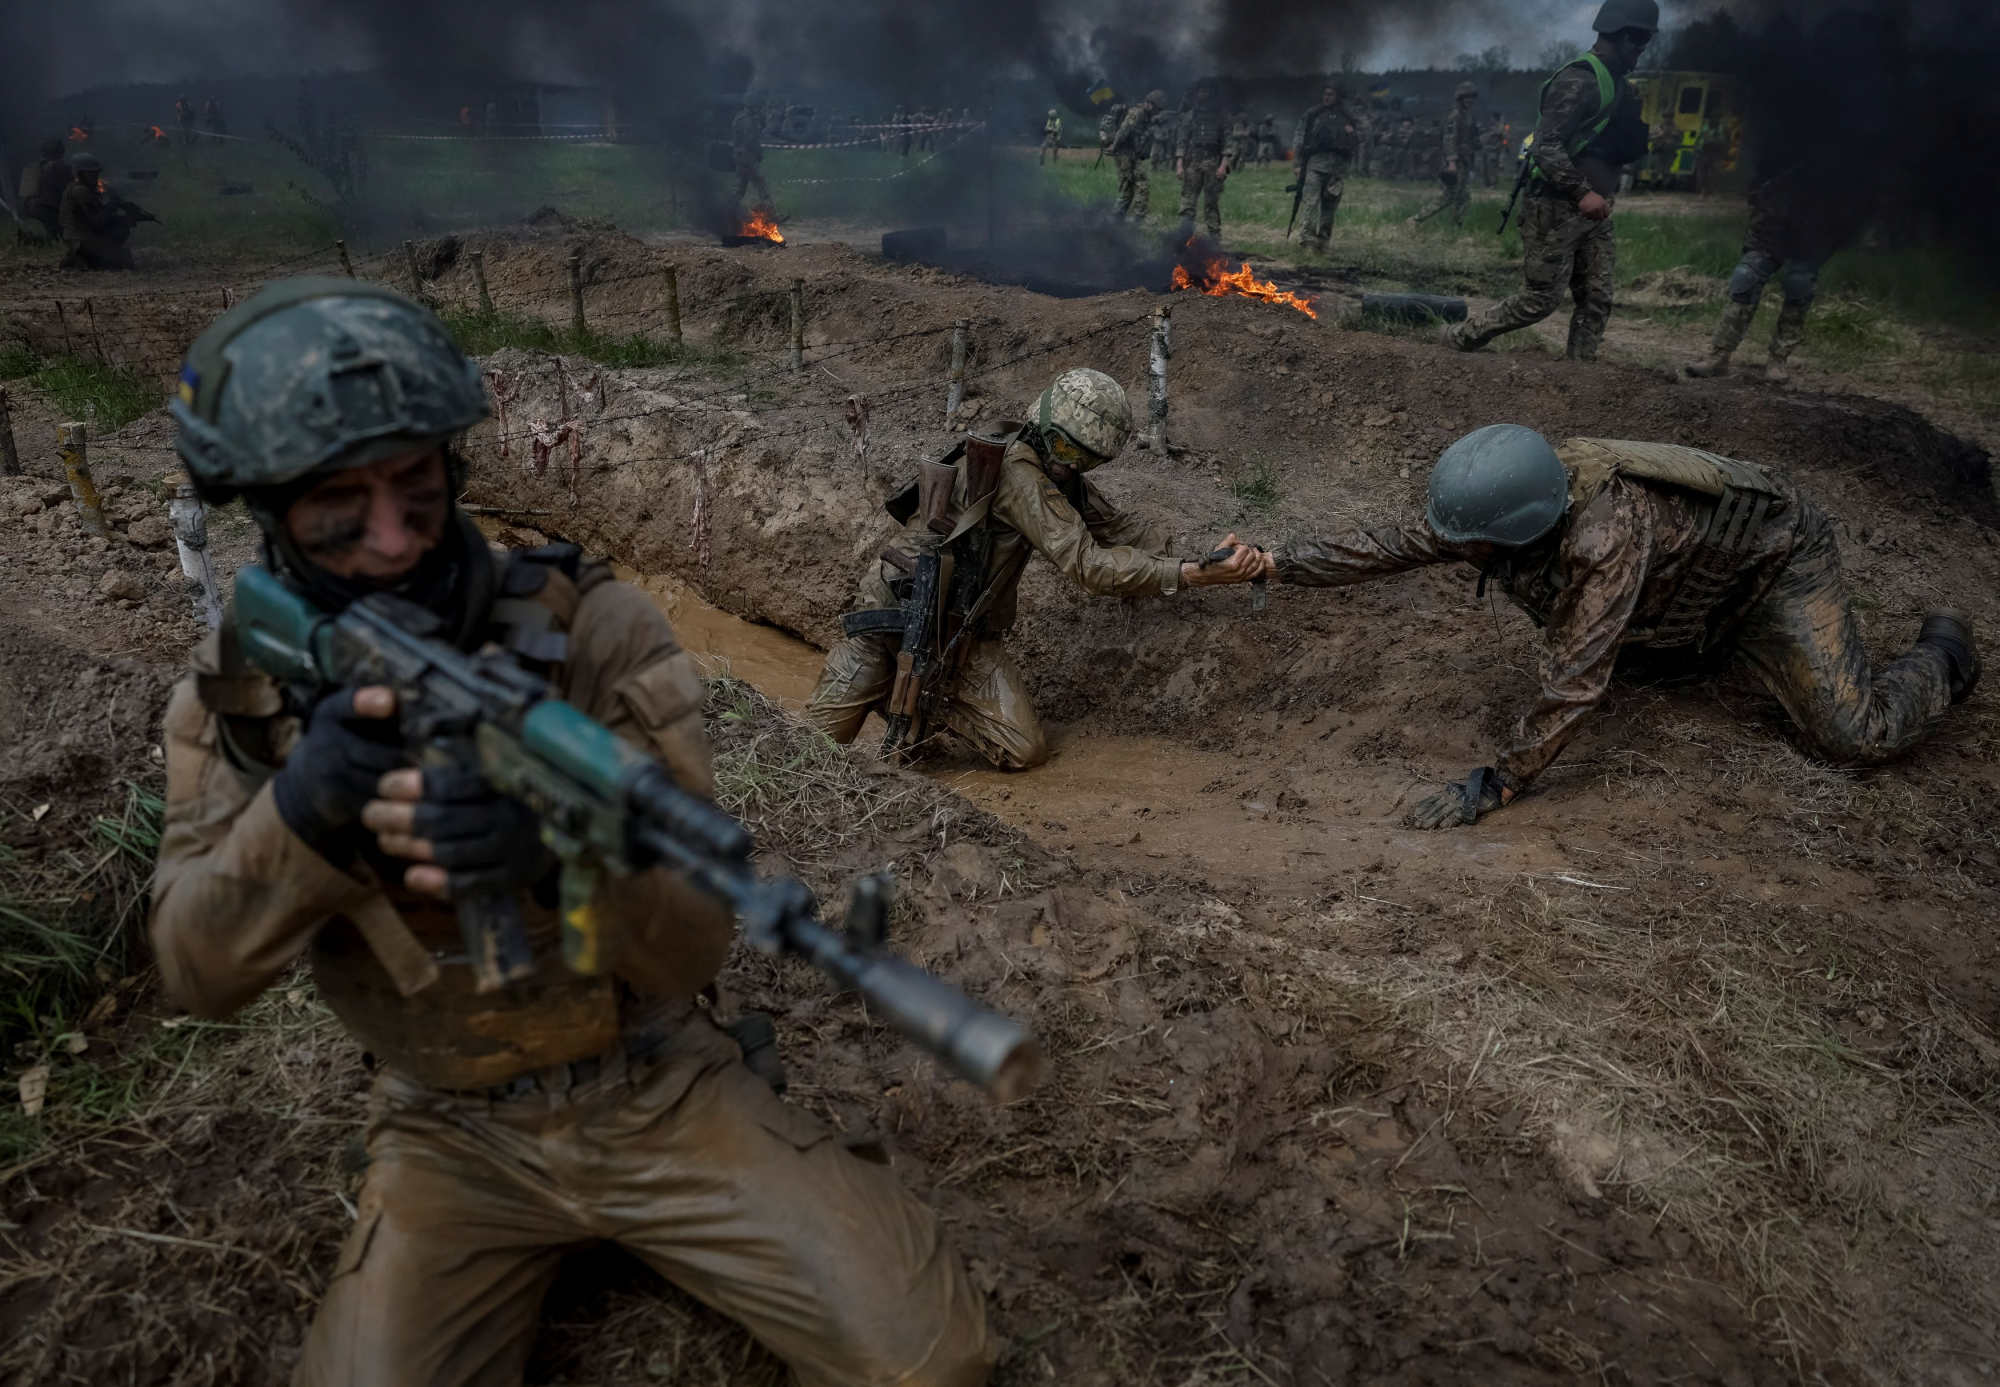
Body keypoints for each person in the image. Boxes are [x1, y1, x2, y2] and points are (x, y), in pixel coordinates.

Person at [152, 277, 997, 1385]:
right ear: (267, 513)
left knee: (933, 1358)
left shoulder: (593, 630)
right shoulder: (241, 694)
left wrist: (561, 860)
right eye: (337, 510)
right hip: (447, 1125)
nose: (395, 538)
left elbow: (689, 948)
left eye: (417, 488)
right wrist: (306, 807)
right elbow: (195, 972)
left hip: (649, 1082)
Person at [1207, 424, 1979, 828]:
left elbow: (1578, 678)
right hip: (1691, 576)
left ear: (1523, 525)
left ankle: (1945, 653)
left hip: (1773, 562)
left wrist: (1502, 781)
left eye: (1472, 545)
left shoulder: (1604, 538)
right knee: (1638, 649)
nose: (1457, 549)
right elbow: (1393, 544)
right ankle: (1693, 642)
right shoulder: (1512, 499)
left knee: (1852, 735)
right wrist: (1276, 561)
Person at [807, 368, 1259, 769]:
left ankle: (919, 706)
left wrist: (1204, 557)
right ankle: (893, 691)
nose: (1071, 465)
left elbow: (1117, 529)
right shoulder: (1018, 471)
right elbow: (1088, 566)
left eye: (1086, 459)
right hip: (894, 615)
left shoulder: (1055, 471)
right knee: (811, 750)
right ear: (1041, 428)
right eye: (1064, 448)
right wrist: (1187, 575)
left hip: (961, 627)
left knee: (1023, 749)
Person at [1443, 0, 1657, 361]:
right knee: (1540, 299)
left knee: (1597, 296)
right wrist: (1582, 192)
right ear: (1623, 36)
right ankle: (1459, 338)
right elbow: (1545, 145)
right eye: (1639, 42)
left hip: (1594, 211)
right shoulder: (1579, 80)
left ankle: (1578, 372)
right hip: (1555, 206)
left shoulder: (1619, 85)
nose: (1641, 50)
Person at [1685, 160, 1869, 385]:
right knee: (1747, 277)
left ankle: (1778, 359)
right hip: (1776, 200)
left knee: (1800, 283)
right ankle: (1719, 356)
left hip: (1821, 207)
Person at [1291, 84, 1357, 253]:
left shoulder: (1348, 117)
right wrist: (1297, 164)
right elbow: (1299, 138)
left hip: (1336, 169)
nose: (1326, 97)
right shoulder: (1312, 115)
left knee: (1329, 208)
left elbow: (1357, 142)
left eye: (1331, 95)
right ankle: (1308, 241)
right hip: (1315, 165)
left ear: (1338, 97)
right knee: (1311, 204)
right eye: (1325, 94)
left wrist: (1351, 134)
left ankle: (1323, 242)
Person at [59, 153, 147, 271]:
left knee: (121, 229)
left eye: (96, 172)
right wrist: (113, 206)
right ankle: (81, 259)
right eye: (91, 173)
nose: (95, 176)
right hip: (82, 238)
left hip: (81, 236)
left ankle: (87, 256)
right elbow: (98, 222)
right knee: (124, 262)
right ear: (80, 174)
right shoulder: (81, 192)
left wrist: (129, 218)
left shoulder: (74, 188)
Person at [1413, 80, 1481, 227]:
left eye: (1471, 97)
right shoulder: (1454, 116)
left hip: (1464, 160)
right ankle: (1417, 219)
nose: (1469, 100)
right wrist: (1451, 162)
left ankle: (1458, 225)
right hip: (1455, 161)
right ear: (1460, 97)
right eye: (1466, 96)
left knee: (1464, 196)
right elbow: (1449, 139)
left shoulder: (1466, 116)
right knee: (1449, 196)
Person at [1176, 79, 1233, 240]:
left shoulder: (1223, 115)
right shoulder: (1191, 115)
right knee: (1188, 201)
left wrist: (1223, 165)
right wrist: (1179, 165)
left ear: (1212, 93)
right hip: (1193, 160)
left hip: (1213, 161)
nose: (1202, 94)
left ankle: (1214, 238)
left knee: (1211, 202)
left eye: (1205, 91)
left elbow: (1228, 142)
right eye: (1200, 91)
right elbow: (1182, 140)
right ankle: (1185, 236)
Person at [1110, 91, 1163, 220]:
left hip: (1133, 154)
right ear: (1151, 105)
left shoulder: (1147, 117)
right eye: (1157, 109)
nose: (1157, 112)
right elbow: (1124, 130)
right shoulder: (1136, 113)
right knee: (1137, 184)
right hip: (1124, 154)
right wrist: (1114, 146)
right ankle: (1134, 217)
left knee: (1131, 186)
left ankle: (1119, 217)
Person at [19, 137, 68, 240]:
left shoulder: (32, 165)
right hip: (47, 209)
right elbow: (69, 186)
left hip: (27, 208)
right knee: (60, 236)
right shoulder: (57, 165)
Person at [729, 101, 772, 210]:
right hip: (748, 157)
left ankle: (728, 211)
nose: (759, 109)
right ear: (751, 106)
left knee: (739, 188)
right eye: (757, 106)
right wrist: (758, 153)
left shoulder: (738, 119)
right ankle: (771, 212)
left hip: (740, 157)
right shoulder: (747, 121)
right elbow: (751, 141)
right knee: (761, 184)